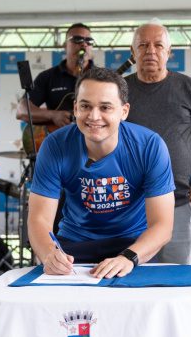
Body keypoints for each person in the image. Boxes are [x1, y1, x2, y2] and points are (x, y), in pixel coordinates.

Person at [28, 67, 175, 278]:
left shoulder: (150, 145)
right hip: (74, 244)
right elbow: (38, 219)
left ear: (124, 111)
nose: (94, 116)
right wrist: (49, 254)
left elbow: (162, 225)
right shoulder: (54, 145)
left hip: (133, 245)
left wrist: (129, 258)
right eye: (86, 106)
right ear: (75, 108)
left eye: (105, 107)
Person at [125, 22, 191, 265]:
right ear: (132, 52)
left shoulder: (189, 88)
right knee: (129, 281)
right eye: (143, 45)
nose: (150, 51)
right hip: (129, 206)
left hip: (178, 203)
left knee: (176, 282)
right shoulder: (119, 91)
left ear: (169, 51)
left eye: (158, 45)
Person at [15, 23, 95, 137]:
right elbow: (21, 110)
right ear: (65, 45)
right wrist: (53, 115)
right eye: (77, 39)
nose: (84, 44)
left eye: (89, 41)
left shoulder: (102, 77)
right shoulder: (48, 76)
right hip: (58, 143)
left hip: (93, 145)